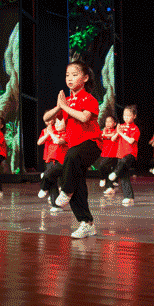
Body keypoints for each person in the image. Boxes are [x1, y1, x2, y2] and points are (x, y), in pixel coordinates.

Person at [43, 61, 102, 239]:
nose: (70, 78)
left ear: (85, 78)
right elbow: (46, 118)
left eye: (75, 75)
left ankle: (66, 191)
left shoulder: (89, 99)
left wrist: (65, 107)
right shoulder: (67, 102)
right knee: (78, 182)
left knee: (72, 156)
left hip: (91, 144)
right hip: (75, 148)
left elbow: (84, 117)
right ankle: (86, 223)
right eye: (67, 75)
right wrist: (59, 107)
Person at [108, 105, 140, 206]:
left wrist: (121, 133)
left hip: (130, 153)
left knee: (124, 161)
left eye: (128, 115)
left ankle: (115, 173)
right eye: (124, 115)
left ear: (134, 116)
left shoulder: (135, 128)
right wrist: (117, 133)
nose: (126, 117)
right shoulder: (121, 126)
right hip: (120, 154)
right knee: (124, 177)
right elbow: (113, 139)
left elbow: (131, 141)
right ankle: (129, 197)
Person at [37, 117, 67, 211]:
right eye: (56, 123)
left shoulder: (67, 133)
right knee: (52, 183)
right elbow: (39, 142)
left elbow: (57, 141)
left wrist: (50, 133)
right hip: (50, 159)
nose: (57, 125)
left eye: (59, 123)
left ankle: (43, 187)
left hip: (61, 162)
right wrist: (49, 133)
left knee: (48, 174)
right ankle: (56, 205)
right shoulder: (49, 131)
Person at [94, 116, 118, 192]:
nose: (108, 123)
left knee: (107, 169)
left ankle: (107, 183)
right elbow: (99, 136)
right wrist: (103, 134)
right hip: (104, 154)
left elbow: (113, 136)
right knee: (103, 168)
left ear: (114, 123)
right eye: (106, 122)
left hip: (113, 154)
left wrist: (105, 135)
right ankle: (108, 185)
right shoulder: (103, 131)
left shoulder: (116, 131)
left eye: (110, 121)